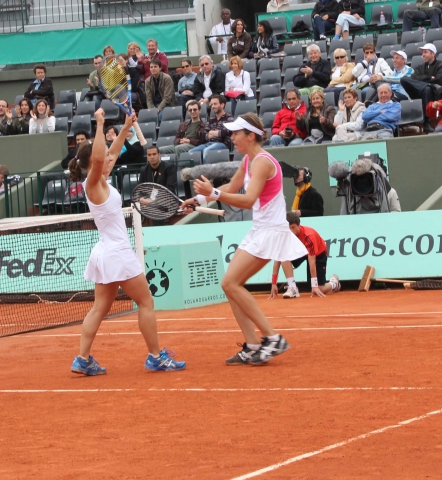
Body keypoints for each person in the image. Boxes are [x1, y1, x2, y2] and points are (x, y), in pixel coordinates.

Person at [182, 112, 306, 365]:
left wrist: (213, 191)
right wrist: (201, 199)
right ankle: (251, 345)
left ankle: (272, 339)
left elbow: (248, 199)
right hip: (259, 230)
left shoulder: (262, 162)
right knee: (230, 285)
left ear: (251, 136)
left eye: (237, 133)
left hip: (270, 231)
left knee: (230, 284)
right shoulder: (249, 161)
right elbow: (232, 187)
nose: (233, 137)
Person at [69, 108, 186, 375]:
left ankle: (82, 359)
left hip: (106, 251)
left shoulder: (100, 181)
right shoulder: (93, 183)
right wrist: (99, 124)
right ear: (92, 163)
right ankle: (156, 356)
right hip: (116, 253)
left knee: (99, 308)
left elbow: (108, 153)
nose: (109, 160)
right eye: (102, 159)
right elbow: (100, 156)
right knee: (146, 302)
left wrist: (124, 128)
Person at [270, 213, 339, 299]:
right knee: (284, 256)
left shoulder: (309, 236)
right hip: (300, 251)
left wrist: (314, 285)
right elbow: (277, 259)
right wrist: (273, 283)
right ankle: (292, 288)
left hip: (318, 254)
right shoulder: (283, 237)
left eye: (293, 227)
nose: (291, 231)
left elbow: (312, 262)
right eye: (288, 228)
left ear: (299, 225)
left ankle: (334, 283)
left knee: (319, 289)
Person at [400, 43, 442, 109]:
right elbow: (414, 77)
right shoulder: (420, 67)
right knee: (403, 79)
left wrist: (422, 80)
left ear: (433, 54)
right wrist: (429, 77)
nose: (423, 55)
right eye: (422, 53)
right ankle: (428, 85)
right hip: (419, 92)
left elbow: (438, 79)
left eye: (425, 52)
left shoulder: (441, 65)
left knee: (427, 89)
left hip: (435, 93)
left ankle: (427, 116)